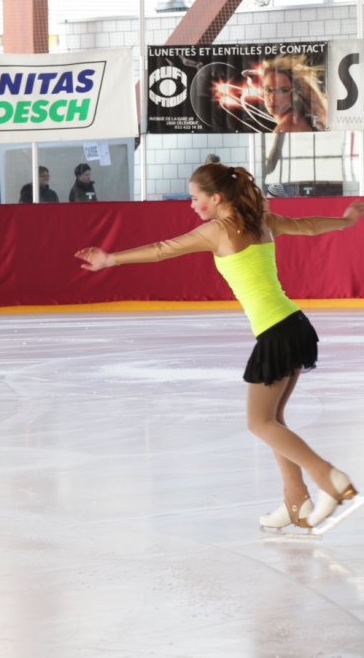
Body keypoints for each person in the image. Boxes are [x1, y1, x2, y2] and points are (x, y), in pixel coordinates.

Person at [75, 164, 363, 531]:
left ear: (215, 198)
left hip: (277, 333)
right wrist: (345, 222)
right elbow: (307, 225)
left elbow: (163, 250)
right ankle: (296, 499)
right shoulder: (261, 221)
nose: (191, 205)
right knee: (273, 419)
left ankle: (328, 478)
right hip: (294, 325)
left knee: (259, 422)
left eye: (194, 198)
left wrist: (110, 259)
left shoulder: (218, 231)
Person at [258, 54, 327, 133]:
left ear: (296, 95)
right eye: (268, 90)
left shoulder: (285, 128)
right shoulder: (296, 120)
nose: (273, 98)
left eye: (282, 90)